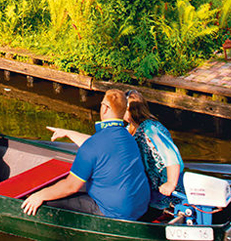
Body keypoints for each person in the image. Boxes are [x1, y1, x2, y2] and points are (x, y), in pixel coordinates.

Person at [23, 89, 150, 220]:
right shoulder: (129, 137)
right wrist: (69, 133)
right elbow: (97, 145)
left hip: (113, 211)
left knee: (45, 200)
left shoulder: (92, 146)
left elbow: (71, 186)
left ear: (105, 108)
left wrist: (40, 195)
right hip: (140, 207)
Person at [125, 90, 185, 212]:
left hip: (165, 186)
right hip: (151, 185)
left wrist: (171, 183)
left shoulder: (150, 128)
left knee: (166, 208)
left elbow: (171, 154)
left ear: (132, 110)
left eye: (122, 108)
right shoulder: (129, 129)